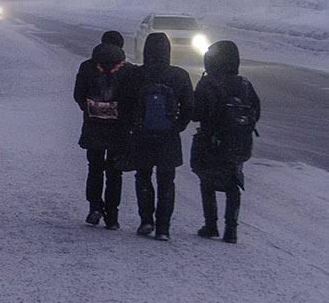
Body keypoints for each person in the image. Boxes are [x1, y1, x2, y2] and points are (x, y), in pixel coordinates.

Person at [117, 32, 195, 241]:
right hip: (168, 136)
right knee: (166, 181)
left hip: (142, 135)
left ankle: (146, 220)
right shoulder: (179, 75)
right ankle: (163, 228)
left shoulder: (136, 75)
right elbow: (189, 107)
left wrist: (132, 126)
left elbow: (123, 105)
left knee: (143, 176)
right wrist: (178, 126)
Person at [189, 40, 261, 243]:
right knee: (233, 183)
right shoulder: (245, 84)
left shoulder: (208, 83)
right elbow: (256, 111)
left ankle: (211, 225)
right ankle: (231, 230)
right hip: (239, 142)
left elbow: (197, 113)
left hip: (211, 140)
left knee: (207, 180)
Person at [72, 30, 133, 229]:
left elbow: (78, 95)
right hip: (119, 129)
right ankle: (113, 216)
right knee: (115, 172)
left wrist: (91, 110)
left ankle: (94, 208)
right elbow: (134, 100)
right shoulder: (128, 70)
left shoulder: (87, 66)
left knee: (95, 169)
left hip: (93, 127)